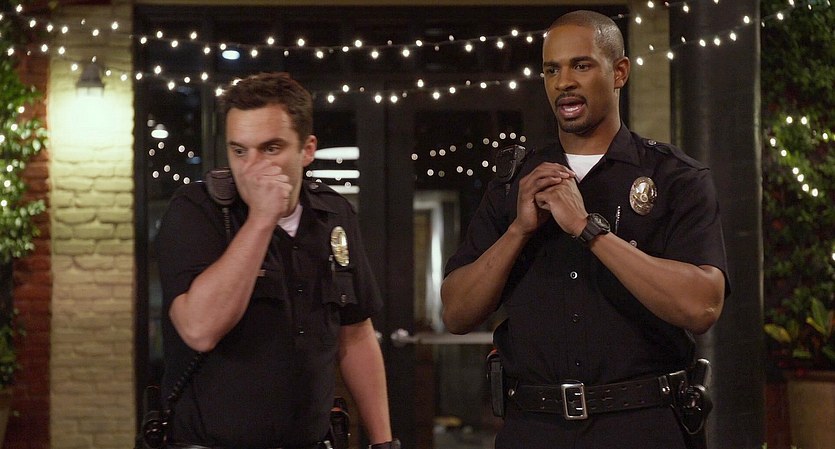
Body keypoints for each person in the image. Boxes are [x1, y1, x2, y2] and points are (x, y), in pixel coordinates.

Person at [441, 10, 729, 449]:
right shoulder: (514, 184)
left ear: (619, 72)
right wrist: (518, 230)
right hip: (534, 430)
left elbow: (702, 306)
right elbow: (456, 313)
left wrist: (587, 229)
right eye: (551, 70)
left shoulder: (675, 178)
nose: (564, 82)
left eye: (581, 65)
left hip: (642, 427)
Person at [156, 72, 399, 449]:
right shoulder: (196, 211)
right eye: (239, 151)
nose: (251, 167)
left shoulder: (333, 214)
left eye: (270, 149)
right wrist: (261, 219)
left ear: (307, 150)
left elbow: (355, 333)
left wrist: (383, 442)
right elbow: (200, 329)